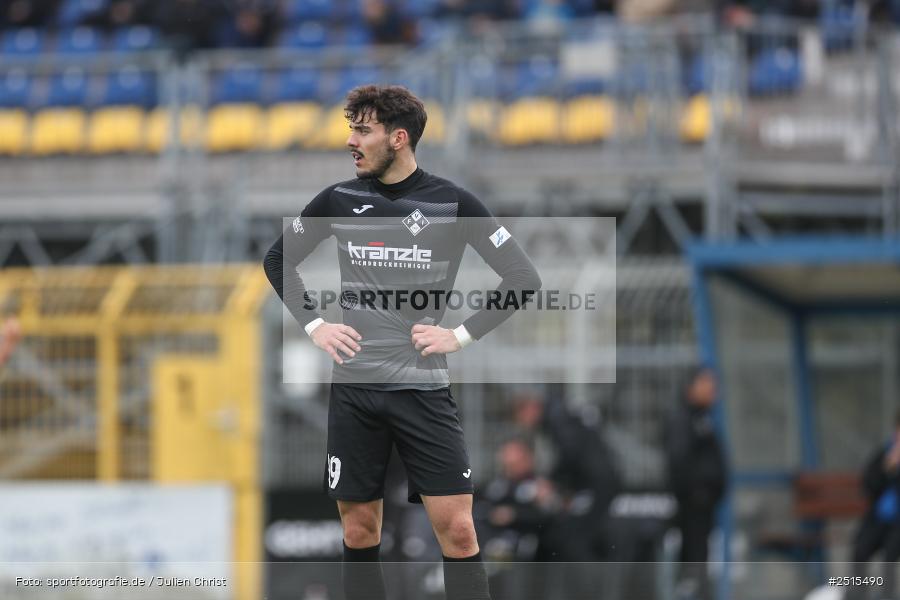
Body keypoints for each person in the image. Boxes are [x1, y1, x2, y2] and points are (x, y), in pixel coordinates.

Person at [263, 84, 541, 600]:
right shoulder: (339, 199)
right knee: (359, 531)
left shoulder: (452, 202)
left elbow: (522, 279)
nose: (350, 140)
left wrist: (458, 335)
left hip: (423, 391)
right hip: (356, 391)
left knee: (458, 531)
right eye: (350, 129)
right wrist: (315, 325)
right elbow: (278, 260)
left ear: (398, 137)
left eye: (361, 130)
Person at [664, 367, 728, 600]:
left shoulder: (702, 418)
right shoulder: (683, 419)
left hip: (704, 504)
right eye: (707, 384)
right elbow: (679, 460)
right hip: (693, 505)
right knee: (693, 556)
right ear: (691, 387)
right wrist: (696, 492)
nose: (713, 390)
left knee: (701, 557)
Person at [847, 410, 900, 600]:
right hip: (878, 520)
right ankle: (856, 593)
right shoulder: (884, 454)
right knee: (861, 549)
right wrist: (888, 468)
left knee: (890, 556)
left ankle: (888, 596)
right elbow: (869, 486)